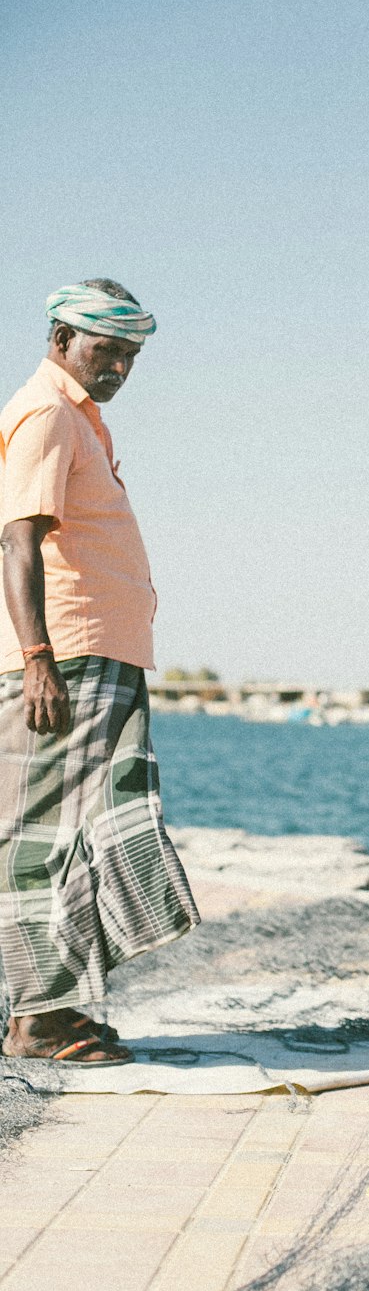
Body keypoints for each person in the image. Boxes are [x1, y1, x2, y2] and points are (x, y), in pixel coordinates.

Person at [0, 279, 199, 1066]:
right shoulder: (48, 413)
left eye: (129, 355)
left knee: (89, 829)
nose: (117, 366)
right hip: (68, 657)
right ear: (61, 340)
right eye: (104, 349)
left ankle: (54, 1007)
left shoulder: (81, 418)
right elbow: (18, 542)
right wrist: (39, 660)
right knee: (40, 834)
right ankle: (37, 1020)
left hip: (98, 653)